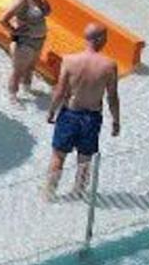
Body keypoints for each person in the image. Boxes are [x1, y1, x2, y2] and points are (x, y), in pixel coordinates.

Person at [45, 23, 120, 201]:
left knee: (58, 156)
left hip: (69, 114)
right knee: (85, 160)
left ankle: (49, 193)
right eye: (106, 37)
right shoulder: (109, 65)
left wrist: (52, 111)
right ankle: (78, 193)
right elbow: (112, 97)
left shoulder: (69, 60)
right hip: (91, 118)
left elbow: (60, 91)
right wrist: (116, 120)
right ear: (100, 39)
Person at [0, 0, 51, 103]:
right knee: (18, 71)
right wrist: (14, 31)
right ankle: (12, 97)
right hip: (24, 42)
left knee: (31, 68)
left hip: (38, 40)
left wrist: (42, 2)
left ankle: (27, 89)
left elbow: (46, 12)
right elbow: (3, 19)